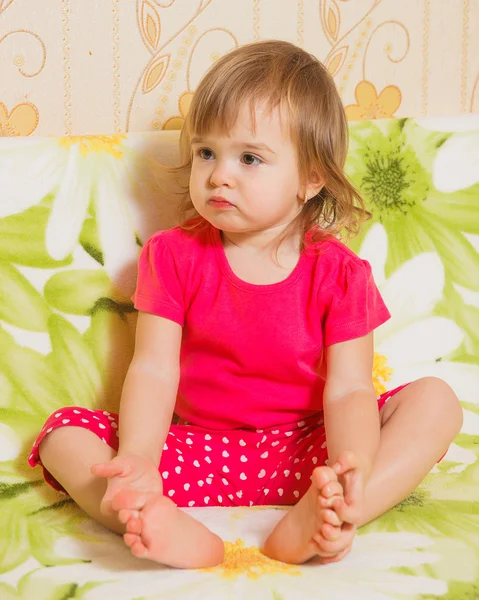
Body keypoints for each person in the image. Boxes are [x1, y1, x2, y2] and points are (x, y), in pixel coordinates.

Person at [29, 40, 463, 569]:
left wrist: (351, 465)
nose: (218, 174)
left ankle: (334, 512)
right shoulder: (173, 256)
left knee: (436, 401)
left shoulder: (340, 273)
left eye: (249, 157)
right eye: (207, 152)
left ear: (311, 178)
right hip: (188, 450)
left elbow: (350, 389)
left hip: (307, 455)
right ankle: (150, 513)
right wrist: (141, 459)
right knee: (63, 435)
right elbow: (154, 370)